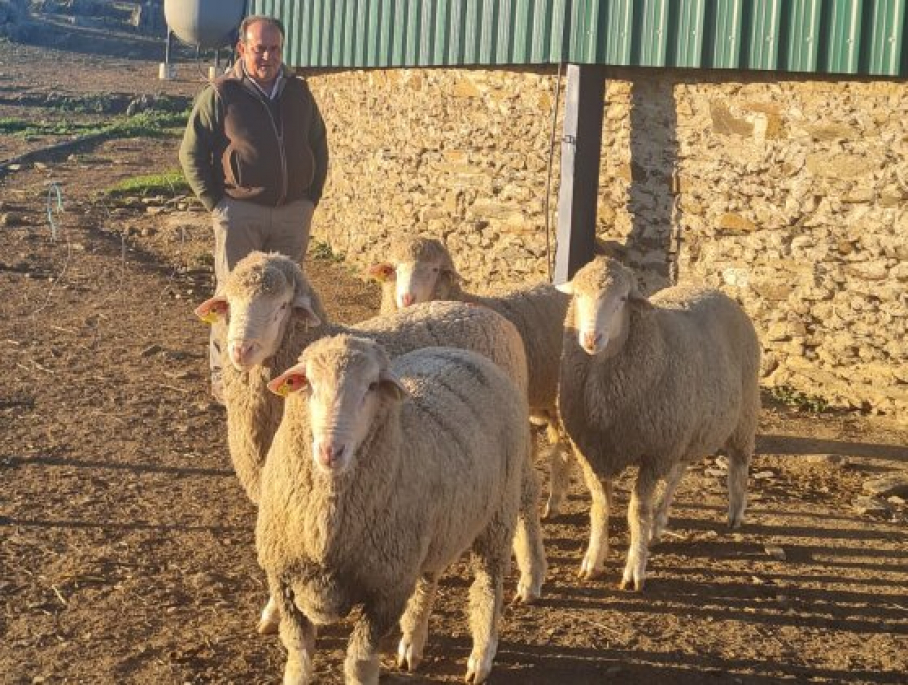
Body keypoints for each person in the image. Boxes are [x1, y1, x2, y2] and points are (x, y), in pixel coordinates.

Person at [179, 15, 329, 404]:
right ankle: (226, 382)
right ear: (242, 49)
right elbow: (191, 153)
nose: (268, 56)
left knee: (285, 299)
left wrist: (309, 198)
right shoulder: (222, 94)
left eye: (274, 48)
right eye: (259, 48)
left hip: (291, 214)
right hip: (240, 213)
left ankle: (279, 373)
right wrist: (218, 204)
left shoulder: (298, 92)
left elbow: (318, 144)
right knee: (233, 300)